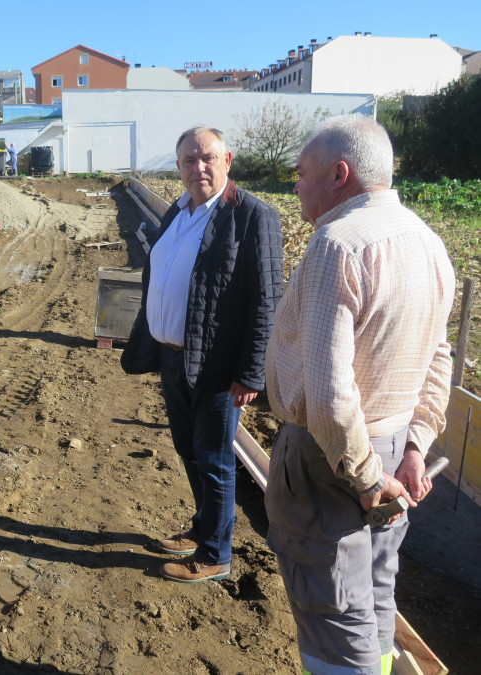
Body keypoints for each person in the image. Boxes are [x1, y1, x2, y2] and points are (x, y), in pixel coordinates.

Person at [264, 115, 455, 675]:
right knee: (374, 592)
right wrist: (417, 444)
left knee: (332, 613)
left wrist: (367, 479)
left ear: (338, 175)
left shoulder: (339, 244)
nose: (296, 185)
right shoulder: (426, 240)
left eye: (302, 174)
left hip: (335, 462)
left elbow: (328, 396)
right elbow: (438, 356)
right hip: (396, 446)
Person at [122, 126, 284, 583]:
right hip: (173, 357)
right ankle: (202, 527)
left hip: (216, 367)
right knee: (188, 450)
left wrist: (251, 373)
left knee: (213, 458)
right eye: (189, 161)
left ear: (227, 160)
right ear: (178, 168)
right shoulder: (177, 211)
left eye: (208, 158)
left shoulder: (253, 216)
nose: (199, 168)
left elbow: (266, 300)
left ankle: (215, 554)